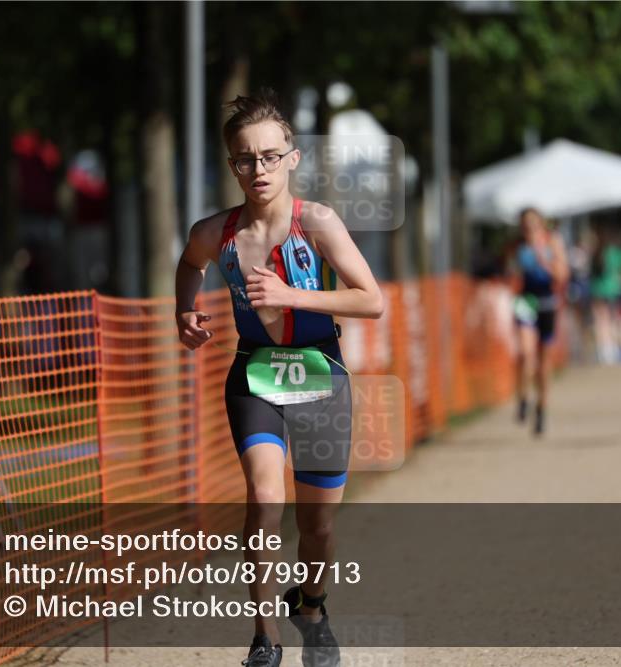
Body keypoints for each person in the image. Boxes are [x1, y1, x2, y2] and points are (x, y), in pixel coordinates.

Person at [174, 89, 384, 667]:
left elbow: (372, 301)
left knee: (317, 527)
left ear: (293, 157)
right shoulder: (216, 232)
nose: (258, 169)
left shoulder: (316, 223)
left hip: (320, 371)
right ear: (232, 165)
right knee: (265, 498)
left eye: (270, 156)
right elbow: (189, 264)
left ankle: (310, 606)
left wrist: (293, 294)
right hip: (257, 372)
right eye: (245, 159)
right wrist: (184, 310)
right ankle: (264, 639)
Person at [507, 208, 569, 436]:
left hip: (547, 301)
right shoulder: (517, 246)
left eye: (533, 223)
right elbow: (509, 270)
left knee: (544, 362)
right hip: (525, 299)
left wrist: (545, 261)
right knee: (524, 352)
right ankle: (523, 397)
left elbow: (562, 275)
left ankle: (542, 407)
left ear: (541, 224)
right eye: (525, 224)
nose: (528, 228)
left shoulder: (552, 242)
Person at [589, 226, 621, 365]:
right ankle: (611, 346)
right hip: (613, 290)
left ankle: (603, 348)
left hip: (598, 290)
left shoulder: (597, 253)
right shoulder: (616, 253)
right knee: (611, 319)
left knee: (600, 320)